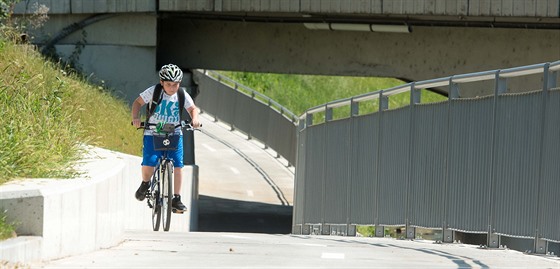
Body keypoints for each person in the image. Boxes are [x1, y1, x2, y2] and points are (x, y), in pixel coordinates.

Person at [131, 64, 201, 213]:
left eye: (175, 84)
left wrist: (195, 119)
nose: (172, 88)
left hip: (174, 132)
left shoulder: (181, 94)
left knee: (178, 164)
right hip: (153, 130)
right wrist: (136, 117)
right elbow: (137, 103)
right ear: (162, 82)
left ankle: (176, 198)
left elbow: (192, 109)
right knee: (150, 162)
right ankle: (145, 184)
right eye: (168, 84)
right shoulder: (154, 91)